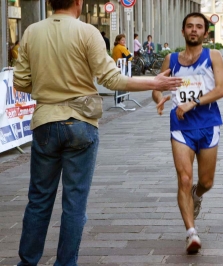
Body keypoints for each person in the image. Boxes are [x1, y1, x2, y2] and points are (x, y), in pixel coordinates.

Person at [12, 0, 182, 265]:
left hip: (45, 121)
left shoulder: (32, 31)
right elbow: (111, 79)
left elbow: (21, 81)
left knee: (39, 199)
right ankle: (66, 263)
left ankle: (27, 261)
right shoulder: (87, 32)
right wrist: (155, 81)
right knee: (75, 201)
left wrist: (48, 82)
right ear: (78, 3)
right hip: (81, 122)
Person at [152, 12, 223, 254]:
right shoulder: (170, 59)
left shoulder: (213, 56)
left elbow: (221, 90)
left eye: (199, 27)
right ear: (183, 31)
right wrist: (159, 97)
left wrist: (193, 102)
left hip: (208, 123)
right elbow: (157, 87)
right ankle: (191, 233)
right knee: (184, 178)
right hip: (181, 126)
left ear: (205, 33)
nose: (194, 30)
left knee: (206, 181)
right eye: (189, 26)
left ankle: (197, 194)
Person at [112, 34, 133, 107]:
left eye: (124, 40)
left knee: (119, 83)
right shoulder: (121, 48)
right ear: (118, 41)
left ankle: (118, 100)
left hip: (116, 66)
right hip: (123, 67)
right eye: (122, 40)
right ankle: (118, 101)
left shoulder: (115, 47)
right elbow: (129, 57)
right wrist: (130, 56)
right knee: (121, 84)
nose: (124, 41)